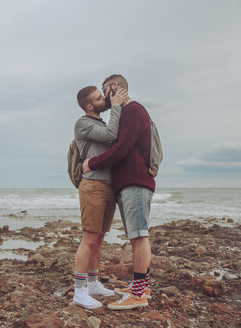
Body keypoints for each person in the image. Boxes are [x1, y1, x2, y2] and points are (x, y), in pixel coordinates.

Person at [83, 74, 155, 310]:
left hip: (135, 181)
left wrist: (92, 163)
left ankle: (138, 295)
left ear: (114, 88)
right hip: (129, 181)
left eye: (104, 92)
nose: (104, 98)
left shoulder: (133, 110)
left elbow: (122, 148)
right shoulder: (128, 112)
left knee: (138, 236)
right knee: (138, 235)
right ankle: (141, 287)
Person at [72, 85, 128, 309]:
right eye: (99, 98)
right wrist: (115, 106)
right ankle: (79, 291)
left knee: (99, 238)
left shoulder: (100, 122)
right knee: (89, 238)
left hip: (107, 186)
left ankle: (93, 283)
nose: (104, 99)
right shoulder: (83, 123)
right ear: (89, 106)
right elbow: (111, 135)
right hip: (93, 185)